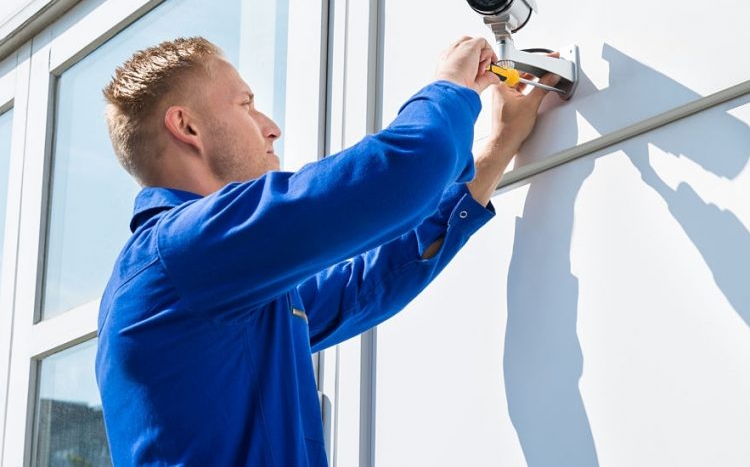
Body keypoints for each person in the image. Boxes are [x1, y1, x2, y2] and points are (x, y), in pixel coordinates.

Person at [95, 35, 558, 466]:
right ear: (186, 126)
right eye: (246, 104)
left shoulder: (215, 282)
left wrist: (497, 146)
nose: (271, 127)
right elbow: (400, 171)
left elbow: (371, 281)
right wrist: (453, 85)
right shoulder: (185, 253)